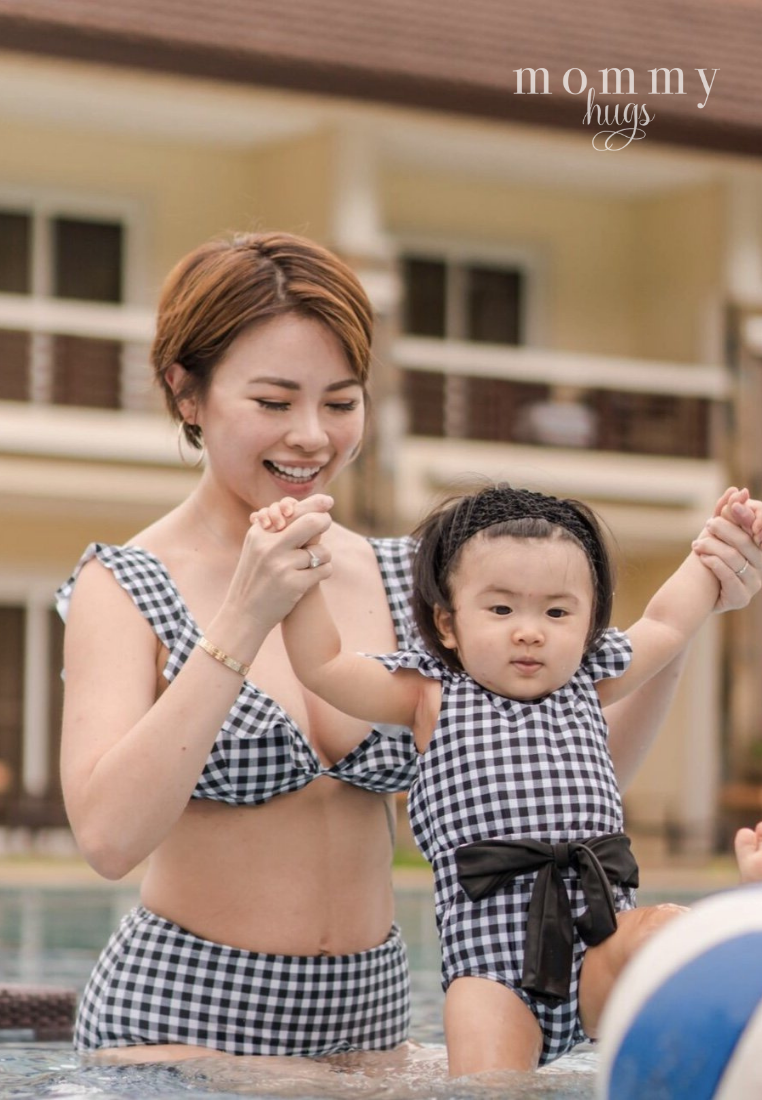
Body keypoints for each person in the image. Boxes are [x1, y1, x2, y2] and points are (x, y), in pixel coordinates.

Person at [55, 230, 762, 1062]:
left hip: (371, 1030)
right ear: (187, 393)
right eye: (275, 403)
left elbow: (550, 771)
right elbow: (108, 839)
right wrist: (245, 616)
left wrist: (689, 623)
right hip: (180, 1028)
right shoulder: (124, 584)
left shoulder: (407, 579)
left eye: (341, 402)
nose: (312, 436)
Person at [254, 482, 762, 1074]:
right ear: (447, 623)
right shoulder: (431, 696)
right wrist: (302, 566)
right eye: (500, 609)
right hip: (494, 972)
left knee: (670, 936)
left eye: (556, 611)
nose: (529, 630)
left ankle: (744, 930)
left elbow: (669, 622)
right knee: (489, 1085)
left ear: (589, 621)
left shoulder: (590, 679)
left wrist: (715, 547)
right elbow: (323, 666)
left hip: (599, 939)